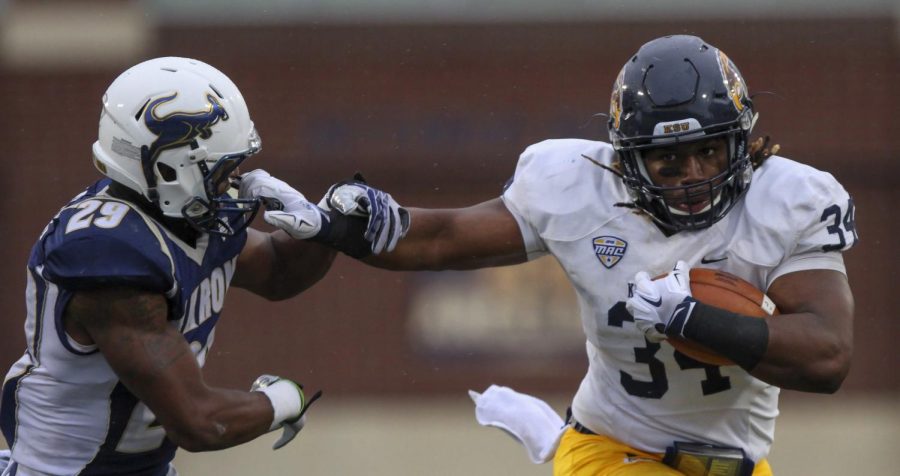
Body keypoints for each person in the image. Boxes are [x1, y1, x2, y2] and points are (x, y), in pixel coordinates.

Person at [311, 35, 858, 475]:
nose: (692, 177)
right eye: (667, 160)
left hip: (738, 465)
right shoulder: (576, 189)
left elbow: (827, 356)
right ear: (628, 162)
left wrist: (693, 319)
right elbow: (443, 237)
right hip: (613, 452)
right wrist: (364, 226)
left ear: (740, 143)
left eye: (708, 152)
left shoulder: (788, 201)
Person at [0, 57, 395, 476]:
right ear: (169, 168)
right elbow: (199, 422)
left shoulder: (177, 217)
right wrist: (283, 401)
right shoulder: (105, 254)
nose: (236, 178)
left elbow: (278, 270)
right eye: (222, 168)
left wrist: (326, 226)